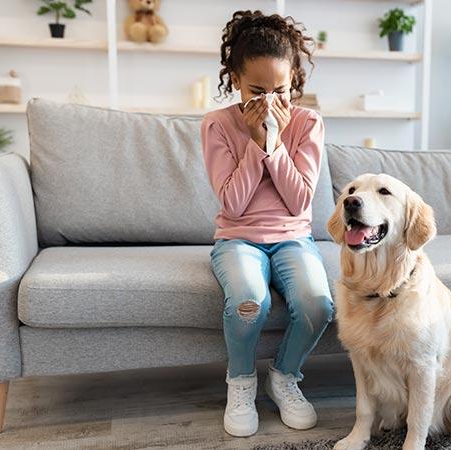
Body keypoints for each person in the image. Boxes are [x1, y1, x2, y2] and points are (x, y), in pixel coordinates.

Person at [200, 9, 333, 438]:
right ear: (234, 79)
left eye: (281, 90)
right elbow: (234, 205)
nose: (271, 103)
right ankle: (240, 383)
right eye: (257, 91)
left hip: (293, 238)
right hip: (238, 239)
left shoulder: (307, 123)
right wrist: (256, 146)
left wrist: (274, 143)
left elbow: (298, 202)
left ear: (294, 79)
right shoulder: (217, 125)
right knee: (249, 302)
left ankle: (284, 376)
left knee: (318, 304)